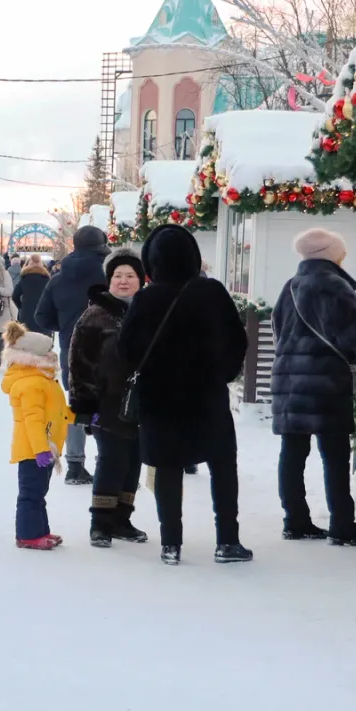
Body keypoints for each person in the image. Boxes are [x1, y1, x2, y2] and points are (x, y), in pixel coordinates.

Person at [117, 225, 250, 565]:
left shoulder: (146, 298)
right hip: (208, 395)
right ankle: (228, 541)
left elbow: (126, 348)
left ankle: (170, 544)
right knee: (222, 464)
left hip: (160, 399)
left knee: (168, 466)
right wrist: (222, 374)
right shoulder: (213, 293)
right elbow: (238, 340)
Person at [271, 228, 356, 548]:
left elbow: (278, 330)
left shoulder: (289, 287)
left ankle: (295, 520)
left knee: (292, 451)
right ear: (332, 255)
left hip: (289, 378)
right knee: (334, 453)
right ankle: (342, 524)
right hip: (324, 380)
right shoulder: (334, 286)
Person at [69, 252, 151, 548]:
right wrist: (83, 403)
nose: (124, 281)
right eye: (118, 276)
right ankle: (100, 523)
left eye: (130, 276)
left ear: (141, 281)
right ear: (109, 281)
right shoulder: (95, 315)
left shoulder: (150, 313)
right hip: (107, 403)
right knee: (112, 460)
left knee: (133, 462)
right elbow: (79, 361)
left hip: (143, 403)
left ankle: (122, 519)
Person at [33, 226, 111, 485]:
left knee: (76, 403)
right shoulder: (111, 275)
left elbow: (41, 316)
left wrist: (67, 327)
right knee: (110, 403)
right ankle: (108, 463)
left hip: (71, 349)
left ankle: (75, 465)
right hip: (108, 347)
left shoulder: (58, 278)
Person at [0, 321, 72, 550]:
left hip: (45, 448)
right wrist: (41, 449)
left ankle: (40, 530)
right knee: (31, 494)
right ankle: (28, 535)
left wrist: (81, 418)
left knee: (39, 493)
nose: (53, 355)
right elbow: (33, 420)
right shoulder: (31, 383)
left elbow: (59, 412)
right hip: (34, 450)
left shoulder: (45, 381)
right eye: (48, 352)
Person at [13, 253, 51, 331]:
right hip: (43, 315)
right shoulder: (48, 280)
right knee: (44, 340)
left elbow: (15, 296)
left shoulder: (24, 279)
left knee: (26, 339)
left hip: (26, 314)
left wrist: (21, 306)